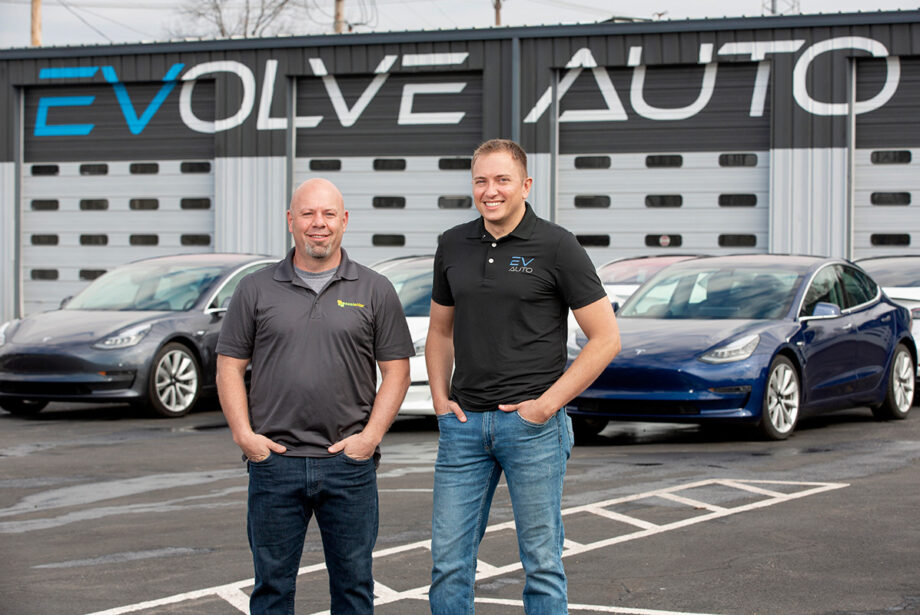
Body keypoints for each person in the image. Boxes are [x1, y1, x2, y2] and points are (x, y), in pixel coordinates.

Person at [426, 139, 621, 614]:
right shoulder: (452, 243)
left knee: (541, 564)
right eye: (481, 181)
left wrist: (546, 407)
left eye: (502, 180)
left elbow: (606, 338)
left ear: (525, 185)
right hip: (465, 427)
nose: (490, 191)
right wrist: (439, 401)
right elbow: (439, 330)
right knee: (449, 564)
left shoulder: (557, 246)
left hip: (532, 429)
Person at [215, 178, 413, 615]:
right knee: (271, 591)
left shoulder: (374, 289)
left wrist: (369, 439)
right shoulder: (256, 288)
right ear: (291, 220)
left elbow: (397, 370)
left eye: (328, 214)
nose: (317, 224)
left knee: (355, 588)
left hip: (349, 466)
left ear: (344, 221)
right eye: (307, 213)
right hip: (274, 466)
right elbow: (229, 365)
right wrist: (244, 436)